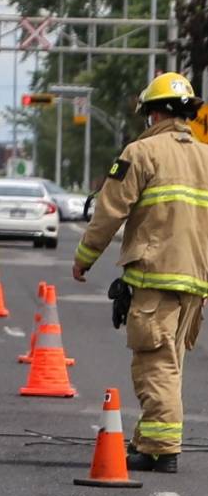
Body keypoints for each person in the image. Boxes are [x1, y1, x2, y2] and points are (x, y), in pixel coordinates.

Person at [74, 71, 208, 472]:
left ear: (152, 114)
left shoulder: (142, 152)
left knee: (155, 362)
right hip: (195, 280)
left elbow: (111, 210)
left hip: (156, 275)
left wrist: (85, 257)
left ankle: (162, 448)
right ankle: (152, 441)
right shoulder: (206, 155)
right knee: (171, 362)